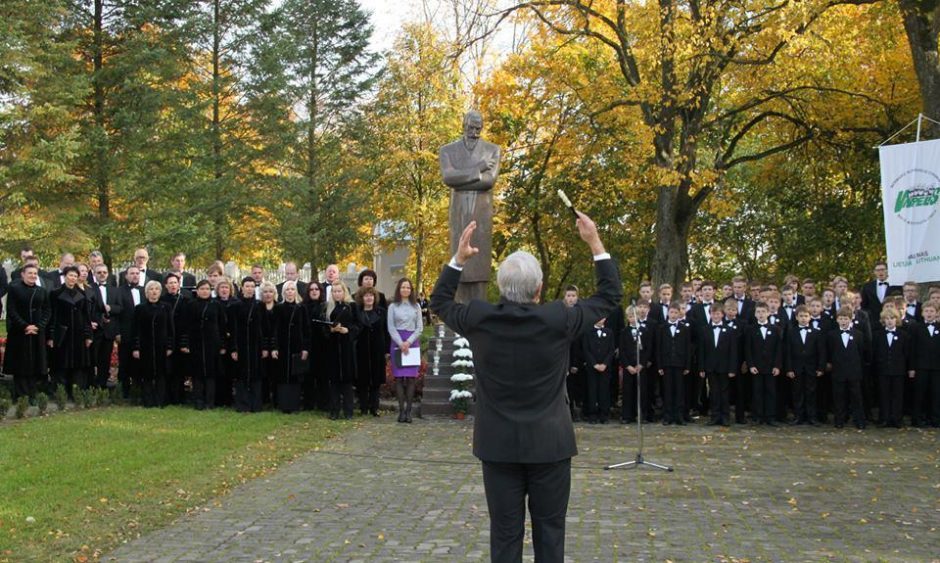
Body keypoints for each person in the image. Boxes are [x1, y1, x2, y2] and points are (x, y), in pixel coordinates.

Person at [430, 211, 620, 563]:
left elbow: (439, 302)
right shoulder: (559, 318)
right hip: (550, 443)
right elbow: (610, 295)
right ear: (539, 289)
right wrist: (594, 241)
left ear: (502, 288)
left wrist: (458, 259)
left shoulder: (479, 317)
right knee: (550, 531)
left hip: (498, 444)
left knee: (504, 533)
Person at [3, 264, 51, 400]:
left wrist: (38, 326)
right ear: (23, 274)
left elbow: (47, 311)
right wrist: (25, 326)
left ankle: (32, 393)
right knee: (21, 364)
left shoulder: (42, 291)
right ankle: (21, 395)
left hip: (37, 332)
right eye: (30, 273)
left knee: (35, 363)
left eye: (35, 273)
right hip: (20, 332)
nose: (33, 276)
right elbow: (11, 310)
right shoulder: (14, 289)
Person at [181, 280, 228, 410]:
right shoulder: (191, 305)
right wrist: (185, 343)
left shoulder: (216, 305)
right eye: (202, 289)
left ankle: (210, 401)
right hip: (195, 343)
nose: (204, 291)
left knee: (211, 374)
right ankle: (198, 401)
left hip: (212, 343)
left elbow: (222, 326)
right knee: (197, 374)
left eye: (207, 289)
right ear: (197, 290)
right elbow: (185, 326)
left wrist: (223, 345)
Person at [48, 265, 93, 396]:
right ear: (65, 276)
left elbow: (86, 316)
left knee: (78, 366)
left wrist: (88, 335)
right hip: (62, 334)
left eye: (75, 276)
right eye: (70, 275)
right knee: (61, 364)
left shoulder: (82, 294)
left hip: (78, 335)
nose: (72, 278)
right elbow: (52, 315)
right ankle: (61, 393)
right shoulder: (55, 293)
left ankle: (76, 393)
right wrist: (51, 336)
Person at [132, 280, 173, 408]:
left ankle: (161, 401)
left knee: (161, 374)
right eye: (151, 289)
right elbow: (135, 329)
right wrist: (136, 347)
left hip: (162, 346)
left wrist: (170, 346)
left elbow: (170, 328)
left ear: (160, 292)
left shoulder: (166, 307)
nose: (154, 292)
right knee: (147, 374)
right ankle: (148, 401)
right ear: (146, 292)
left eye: (156, 289)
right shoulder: (140, 308)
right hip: (146, 346)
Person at [387, 277, 423, 422]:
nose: (405, 290)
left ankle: (409, 411)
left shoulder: (416, 306)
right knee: (399, 378)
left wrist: (408, 342)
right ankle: (401, 411)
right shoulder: (393, 307)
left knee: (411, 378)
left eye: (408, 287)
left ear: (411, 290)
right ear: (399, 289)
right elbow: (390, 327)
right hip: (397, 342)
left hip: (412, 342)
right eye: (403, 287)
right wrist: (401, 343)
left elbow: (420, 327)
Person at [826, 308, 867, 429]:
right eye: (841, 318)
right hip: (838, 371)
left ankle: (859, 420)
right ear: (837, 320)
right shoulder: (831, 335)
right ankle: (839, 420)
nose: (843, 321)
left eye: (846, 319)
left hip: (854, 371)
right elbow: (829, 352)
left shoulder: (858, 335)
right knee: (839, 396)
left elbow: (862, 353)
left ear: (851, 319)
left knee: (856, 396)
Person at [273, 280, 310, 412]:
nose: (290, 292)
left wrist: (305, 348)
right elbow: (275, 330)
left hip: (297, 347)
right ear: (283, 292)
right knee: (283, 376)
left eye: (292, 289)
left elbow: (306, 330)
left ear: (296, 292)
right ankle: (283, 404)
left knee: (295, 376)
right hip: (282, 347)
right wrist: (274, 347)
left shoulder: (301, 308)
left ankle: (294, 404)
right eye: (287, 290)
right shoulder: (278, 308)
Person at [230, 277, 266, 413]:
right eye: (247, 286)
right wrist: (234, 348)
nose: (250, 289)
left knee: (256, 376)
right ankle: (243, 404)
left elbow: (263, 328)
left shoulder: (260, 305)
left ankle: (256, 405)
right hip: (241, 345)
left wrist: (263, 347)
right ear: (242, 288)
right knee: (241, 376)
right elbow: (233, 329)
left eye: (252, 286)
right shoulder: (235, 306)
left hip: (256, 345)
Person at [871, 308, 913, 428]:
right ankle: (884, 418)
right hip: (882, 370)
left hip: (898, 370)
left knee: (897, 395)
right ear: (883, 320)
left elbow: (907, 354)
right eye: (887, 319)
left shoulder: (903, 335)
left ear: (897, 320)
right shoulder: (878, 335)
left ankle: (896, 419)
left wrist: (908, 368)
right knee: (883, 394)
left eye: (892, 318)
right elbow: (874, 353)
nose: (889, 321)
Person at [745, 302, 784, 426]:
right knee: (757, 391)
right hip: (756, 367)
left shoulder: (775, 329)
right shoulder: (750, 329)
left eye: (763, 312)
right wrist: (751, 365)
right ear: (755, 314)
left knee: (771, 392)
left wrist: (777, 366)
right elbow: (748, 349)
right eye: (758, 312)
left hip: (771, 367)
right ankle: (758, 416)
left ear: (768, 313)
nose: (761, 314)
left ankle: (770, 417)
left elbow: (779, 349)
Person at [698, 305, 737, 426]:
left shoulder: (729, 330)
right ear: (710, 315)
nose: (715, 316)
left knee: (724, 392)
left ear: (722, 315)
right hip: (710, 367)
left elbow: (733, 351)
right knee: (714, 392)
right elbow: (702, 351)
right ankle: (714, 416)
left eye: (718, 314)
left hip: (725, 367)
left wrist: (732, 368)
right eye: (713, 314)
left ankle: (725, 417)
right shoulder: (705, 329)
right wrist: (701, 368)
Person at [325, 282, 358, 419]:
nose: (337, 293)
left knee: (347, 382)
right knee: (334, 383)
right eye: (334, 291)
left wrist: (347, 330)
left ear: (344, 292)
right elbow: (324, 328)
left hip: (347, 348)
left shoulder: (352, 307)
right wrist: (331, 330)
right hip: (332, 348)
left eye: (339, 291)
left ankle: (348, 411)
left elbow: (358, 325)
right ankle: (334, 411)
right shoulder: (328, 308)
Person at [355, 286, 389, 416]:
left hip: (377, 350)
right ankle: (363, 407)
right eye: (366, 296)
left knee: (376, 380)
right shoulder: (357, 313)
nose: (369, 298)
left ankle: (374, 407)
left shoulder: (381, 312)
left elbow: (386, 331)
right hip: (361, 350)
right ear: (362, 298)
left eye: (371, 295)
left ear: (375, 298)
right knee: (362, 380)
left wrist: (387, 350)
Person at [657, 302, 692, 426]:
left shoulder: (685, 328)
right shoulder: (662, 328)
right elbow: (658, 348)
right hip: (666, 364)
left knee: (679, 391)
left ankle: (679, 416)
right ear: (668, 313)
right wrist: (660, 365)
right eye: (671, 312)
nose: (673, 314)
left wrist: (687, 365)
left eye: (676, 312)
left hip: (680, 364)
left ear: (679, 313)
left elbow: (688, 348)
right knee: (667, 390)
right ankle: (667, 416)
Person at [89, 264, 122, 388]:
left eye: (104, 272)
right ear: (94, 274)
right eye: (99, 272)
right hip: (95, 329)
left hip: (109, 331)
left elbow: (120, 308)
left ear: (108, 274)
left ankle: (102, 385)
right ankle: (91, 385)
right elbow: (89, 309)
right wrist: (99, 318)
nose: (102, 274)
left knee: (105, 360)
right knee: (93, 359)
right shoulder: (90, 288)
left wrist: (111, 308)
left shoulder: (115, 289)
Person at [160, 273, 191, 404]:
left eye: (175, 283)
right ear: (166, 285)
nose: (173, 285)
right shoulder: (161, 301)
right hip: (166, 338)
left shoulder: (185, 301)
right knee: (167, 369)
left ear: (179, 285)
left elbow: (187, 324)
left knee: (180, 369)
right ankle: (167, 396)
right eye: (170, 283)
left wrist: (184, 342)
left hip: (180, 338)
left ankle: (180, 397)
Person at [620, 305, 653, 424]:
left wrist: (642, 364)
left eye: (634, 316)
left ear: (639, 316)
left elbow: (648, 349)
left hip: (640, 367)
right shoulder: (624, 332)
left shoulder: (644, 331)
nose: (632, 319)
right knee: (628, 391)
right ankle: (627, 415)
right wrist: (627, 366)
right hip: (628, 366)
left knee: (642, 391)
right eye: (629, 317)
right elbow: (622, 350)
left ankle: (642, 415)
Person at [909, 302, 940, 427]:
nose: (929, 314)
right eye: (926, 311)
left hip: (937, 368)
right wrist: (911, 367)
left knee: (936, 394)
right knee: (919, 394)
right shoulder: (916, 327)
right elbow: (912, 349)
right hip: (920, 367)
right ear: (922, 313)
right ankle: (917, 419)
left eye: (932, 311)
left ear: (936, 313)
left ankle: (935, 419)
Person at [116, 266, 144, 398]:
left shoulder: (145, 291)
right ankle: (124, 393)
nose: (135, 276)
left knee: (139, 364)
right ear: (126, 276)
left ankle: (139, 391)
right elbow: (116, 315)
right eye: (132, 273)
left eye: (137, 273)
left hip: (142, 334)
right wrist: (118, 332)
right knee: (124, 364)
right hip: (125, 333)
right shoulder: (119, 291)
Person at [582, 317, 614, 424]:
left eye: (602, 318)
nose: (600, 320)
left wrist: (605, 363)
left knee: (604, 390)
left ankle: (604, 414)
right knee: (592, 390)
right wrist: (594, 364)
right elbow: (586, 349)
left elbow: (611, 350)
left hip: (605, 367)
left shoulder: (609, 332)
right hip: (592, 367)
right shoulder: (587, 332)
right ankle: (592, 414)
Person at [304, 282, 329, 411]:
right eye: (311, 290)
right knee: (308, 376)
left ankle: (323, 403)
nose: (314, 292)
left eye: (316, 289)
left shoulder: (325, 306)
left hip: (323, 345)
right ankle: (308, 403)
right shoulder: (303, 307)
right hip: (308, 344)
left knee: (323, 376)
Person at [215, 278, 238, 407]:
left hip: (233, 342)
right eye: (221, 287)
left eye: (226, 288)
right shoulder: (214, 303)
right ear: (218, 290)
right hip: (219, 342)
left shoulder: (235, 303)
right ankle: (219, 399)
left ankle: (229, 399)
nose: (224, 290)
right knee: (220, 371)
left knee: (230, 372)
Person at [258, 282, 280, 406]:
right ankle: (264, 399)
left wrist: (274, 347)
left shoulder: (279, 308)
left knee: (275, 375)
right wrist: (264, 347)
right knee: (263, 374)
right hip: (262, 347)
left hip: (276, 347)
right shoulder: (258, 308)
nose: (268, 294)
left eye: (270, 291)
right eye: (265, 292)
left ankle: (276, 400)